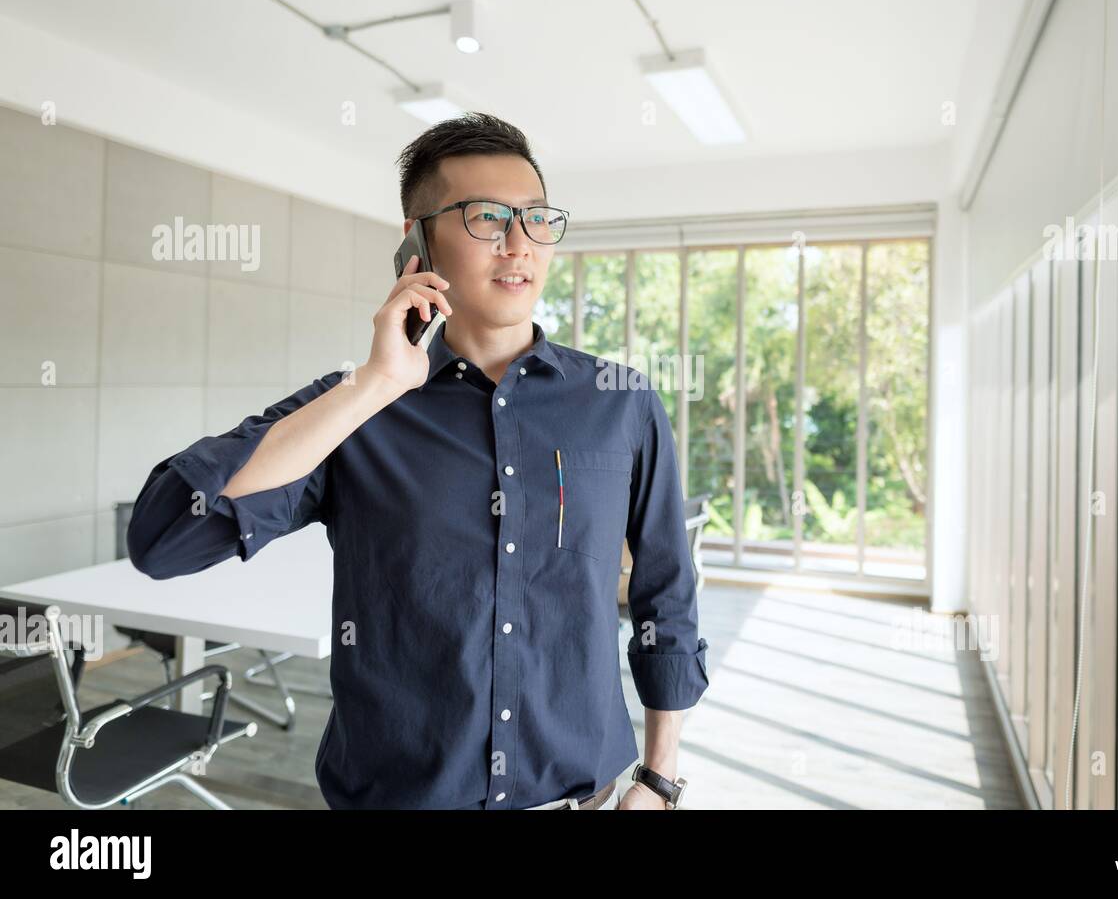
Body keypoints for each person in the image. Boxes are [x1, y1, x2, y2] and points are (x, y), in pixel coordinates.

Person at [126, 112, 708, 810]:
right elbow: (164, 538)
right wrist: (371, 386)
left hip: (584, 796)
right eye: (486, 218)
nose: (518, 243)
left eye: (536, 218)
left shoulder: (621, 404)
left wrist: (660, 777)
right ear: (417, 238)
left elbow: (667, 595)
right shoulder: (357, 409)